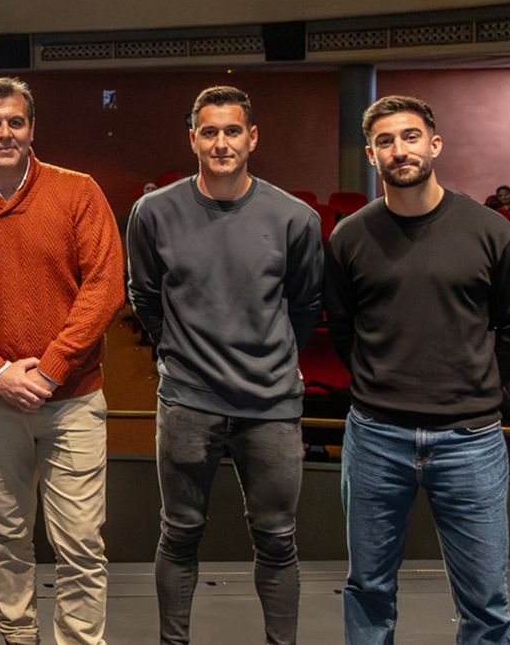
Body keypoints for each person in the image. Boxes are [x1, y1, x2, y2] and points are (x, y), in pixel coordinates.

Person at [324, 95, 510, 644]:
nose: (400, 150)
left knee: (486, 599)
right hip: (375, 437)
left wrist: (483, 392)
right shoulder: (349, 237)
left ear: (434, 144)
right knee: (368, 588)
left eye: (411, 137)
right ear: (372, 155)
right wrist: (380, 383)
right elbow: (342, 329)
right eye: (386, 142)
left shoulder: (490, 232)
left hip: (469, 439)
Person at [126, 86, 323, 645]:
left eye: (232, 131)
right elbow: (144, 296)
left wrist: (270, 358)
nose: (221, 143)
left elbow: (306, 306)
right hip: (189, 402)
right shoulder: (153, 212)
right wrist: (181, 352)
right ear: (193, 138)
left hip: (272, 406)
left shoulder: (295, 218)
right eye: (209, 132)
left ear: (252, 137)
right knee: (179, 533)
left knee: (278, 539)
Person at [0, 78, 124, 645]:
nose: (5, 132)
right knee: (7, 536)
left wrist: (49, 369)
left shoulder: (78, 193)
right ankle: (17, 637)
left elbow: (104, 289)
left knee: (79, 542)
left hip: (73, 398)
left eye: (16, 122)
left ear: (32, 129)